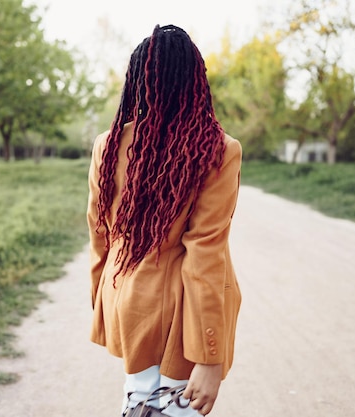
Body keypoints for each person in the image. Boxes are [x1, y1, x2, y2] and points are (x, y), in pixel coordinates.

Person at [87, 24, 242, 417]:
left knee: (139, 404)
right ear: (196, 81)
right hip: (181, 318)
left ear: (138, 82)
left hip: (127, 303)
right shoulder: (217, 150)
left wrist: (104, 303)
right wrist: (209, 356)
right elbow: (205, 254)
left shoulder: (107, 147)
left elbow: (99, 237)